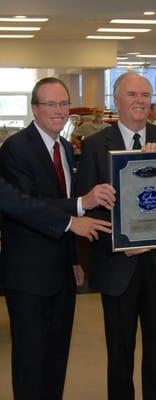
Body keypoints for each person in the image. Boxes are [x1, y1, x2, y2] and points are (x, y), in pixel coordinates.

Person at [76, 71, 156, 400]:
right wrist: (118, 238)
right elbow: (87, 208)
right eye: (132, 95)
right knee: (119, 355)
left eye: (145, 94)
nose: (140, 101)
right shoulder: (96, 146)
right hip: (118, 267)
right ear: (116, 101)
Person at [0, 77, 115, 400]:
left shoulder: (64, 146)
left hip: (61, 272)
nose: (58, 110)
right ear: (34, 109)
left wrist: (74, 259)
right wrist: (80, 206)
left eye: (63, 103)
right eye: (50, 104)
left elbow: (64, 212)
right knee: (30, 361)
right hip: (28, 275)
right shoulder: (16, 148)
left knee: (56, 357)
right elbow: (25, 204)